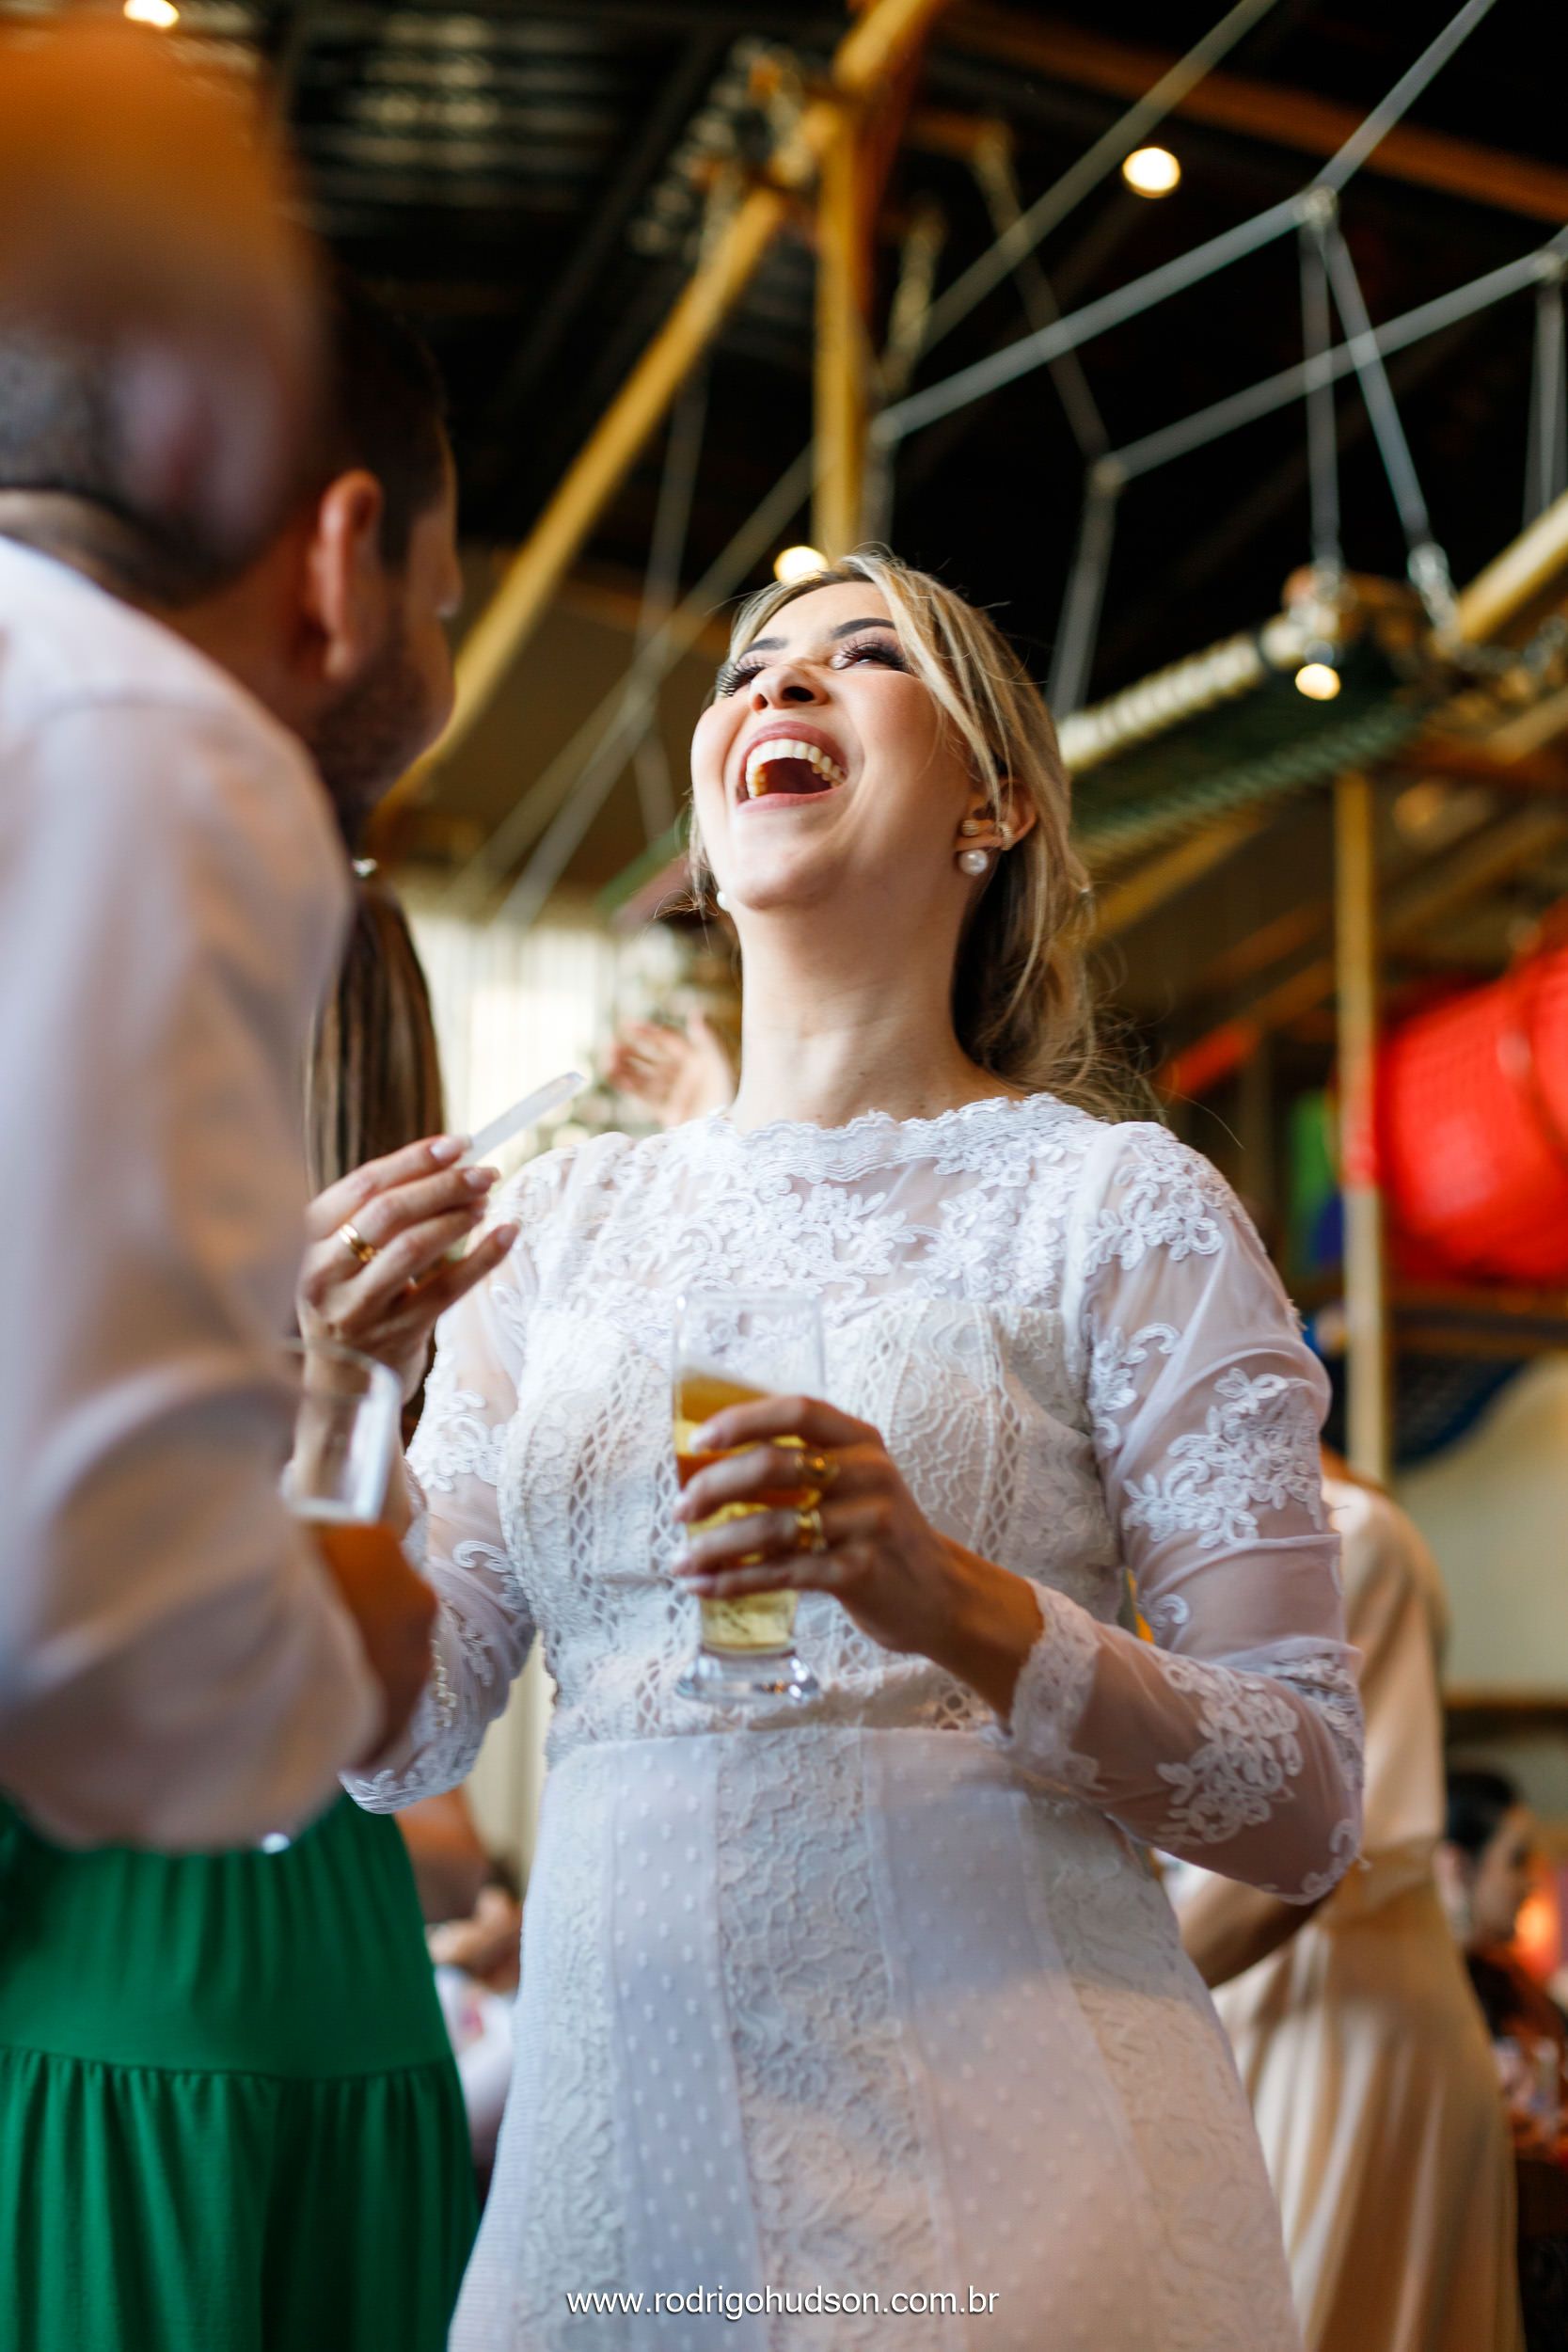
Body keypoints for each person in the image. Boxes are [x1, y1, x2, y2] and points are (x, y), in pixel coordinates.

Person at [331, 550, 1362, 2349]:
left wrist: (951, 1601)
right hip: (614, 2200)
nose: (778, 689)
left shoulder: (1110, 1208)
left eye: (861, 657)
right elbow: (393, 1733)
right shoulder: (560, 1230)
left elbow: (1301, 1806)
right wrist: (335, 1400)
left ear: (994, 805)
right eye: (751, 669)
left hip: (1015, 2188)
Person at [0, 268, 516, 1846]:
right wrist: (327, 1632)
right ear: (344, 559)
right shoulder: (171, 766)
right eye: (440, 615)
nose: (424, 681)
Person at [1172, 1461, 1522, 2352]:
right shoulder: (1242, 1526)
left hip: (1333, 2011)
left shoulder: (1341, 1535)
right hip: (1267, 1987)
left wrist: (1110, 1981)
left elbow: (1304, 1853)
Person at [1439, 1769, 1568, 2350]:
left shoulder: (1517, 1984)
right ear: (1456, 1866)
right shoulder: (1424, 2004)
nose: (1532, 1884)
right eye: (1516, 1861)